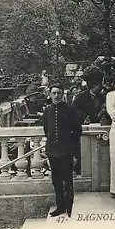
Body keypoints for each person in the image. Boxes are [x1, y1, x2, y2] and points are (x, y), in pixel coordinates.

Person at [42, 83, 83, 217]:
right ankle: (60, 207)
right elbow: (46, 130)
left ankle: (69, 207)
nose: (56, 96)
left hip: (66, 150)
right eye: (54, 93)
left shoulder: (70, 110)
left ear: (62, 94)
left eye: (59, 93)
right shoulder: (47, 110)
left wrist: (72, 147)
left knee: (68, 179)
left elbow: (77, 130)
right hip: (52, 150)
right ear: (50, 95)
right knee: (56, 180)